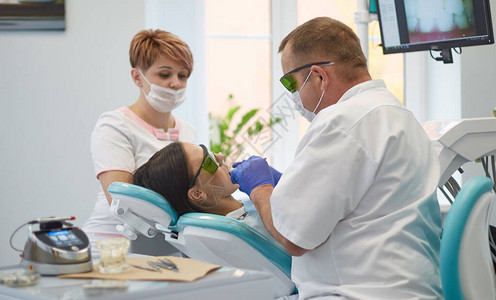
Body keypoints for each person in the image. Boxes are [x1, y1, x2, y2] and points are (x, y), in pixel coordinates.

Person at [230, 17, 443, 299]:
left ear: (318, 77)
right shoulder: (397, 115)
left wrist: (259, 187)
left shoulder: (342, 121)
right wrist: (287, 189)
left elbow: (293, 237)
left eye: (291, 85)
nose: (294, 97)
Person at [82, 29, 196, 247]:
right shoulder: (115, 125)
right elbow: (123, 201)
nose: (176, 83)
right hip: (110, 245)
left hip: (163, 245)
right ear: (137, 77)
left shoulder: (187, 132)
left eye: (183, 75)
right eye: (165, 74)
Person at [132, 141, 282, 247]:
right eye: (209, 161)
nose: (220, 156)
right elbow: (295, 236)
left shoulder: (249, 205)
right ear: (198, 193)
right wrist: (262, 189)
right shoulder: (246, 230)